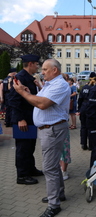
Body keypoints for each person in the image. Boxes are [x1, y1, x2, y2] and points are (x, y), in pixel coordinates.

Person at [13, 58, 70, 217]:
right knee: (52, 164)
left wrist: (22, 93)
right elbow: (39, 100)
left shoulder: (59, 84)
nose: (41, 71)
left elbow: (43, 104)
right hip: (49, 129)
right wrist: (29, 93)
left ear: (55, 71)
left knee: (49, 168)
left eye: (45, 69)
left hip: (52, 130)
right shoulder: (51, 84)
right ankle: (58, 194)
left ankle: (54, 205)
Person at [9, 54, 43, 185]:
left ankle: (30, 169)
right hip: (23, 119)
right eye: (36, 64)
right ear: (30, 64)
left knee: (30, 146)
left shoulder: (28, 77)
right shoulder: (20, 78)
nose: (37, 66)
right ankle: (22, 175)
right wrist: (20, 119)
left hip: (30, 118)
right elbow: (13, 100)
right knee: (23, 148)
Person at [77, 72, 96, 150]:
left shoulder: (85, 87)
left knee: (83, 127)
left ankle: (83, 143)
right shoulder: (95, 88)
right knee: (91, 127)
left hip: (83, 108)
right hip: (91, 109)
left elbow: (80, 99)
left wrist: (79, 109)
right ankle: (91, 145)